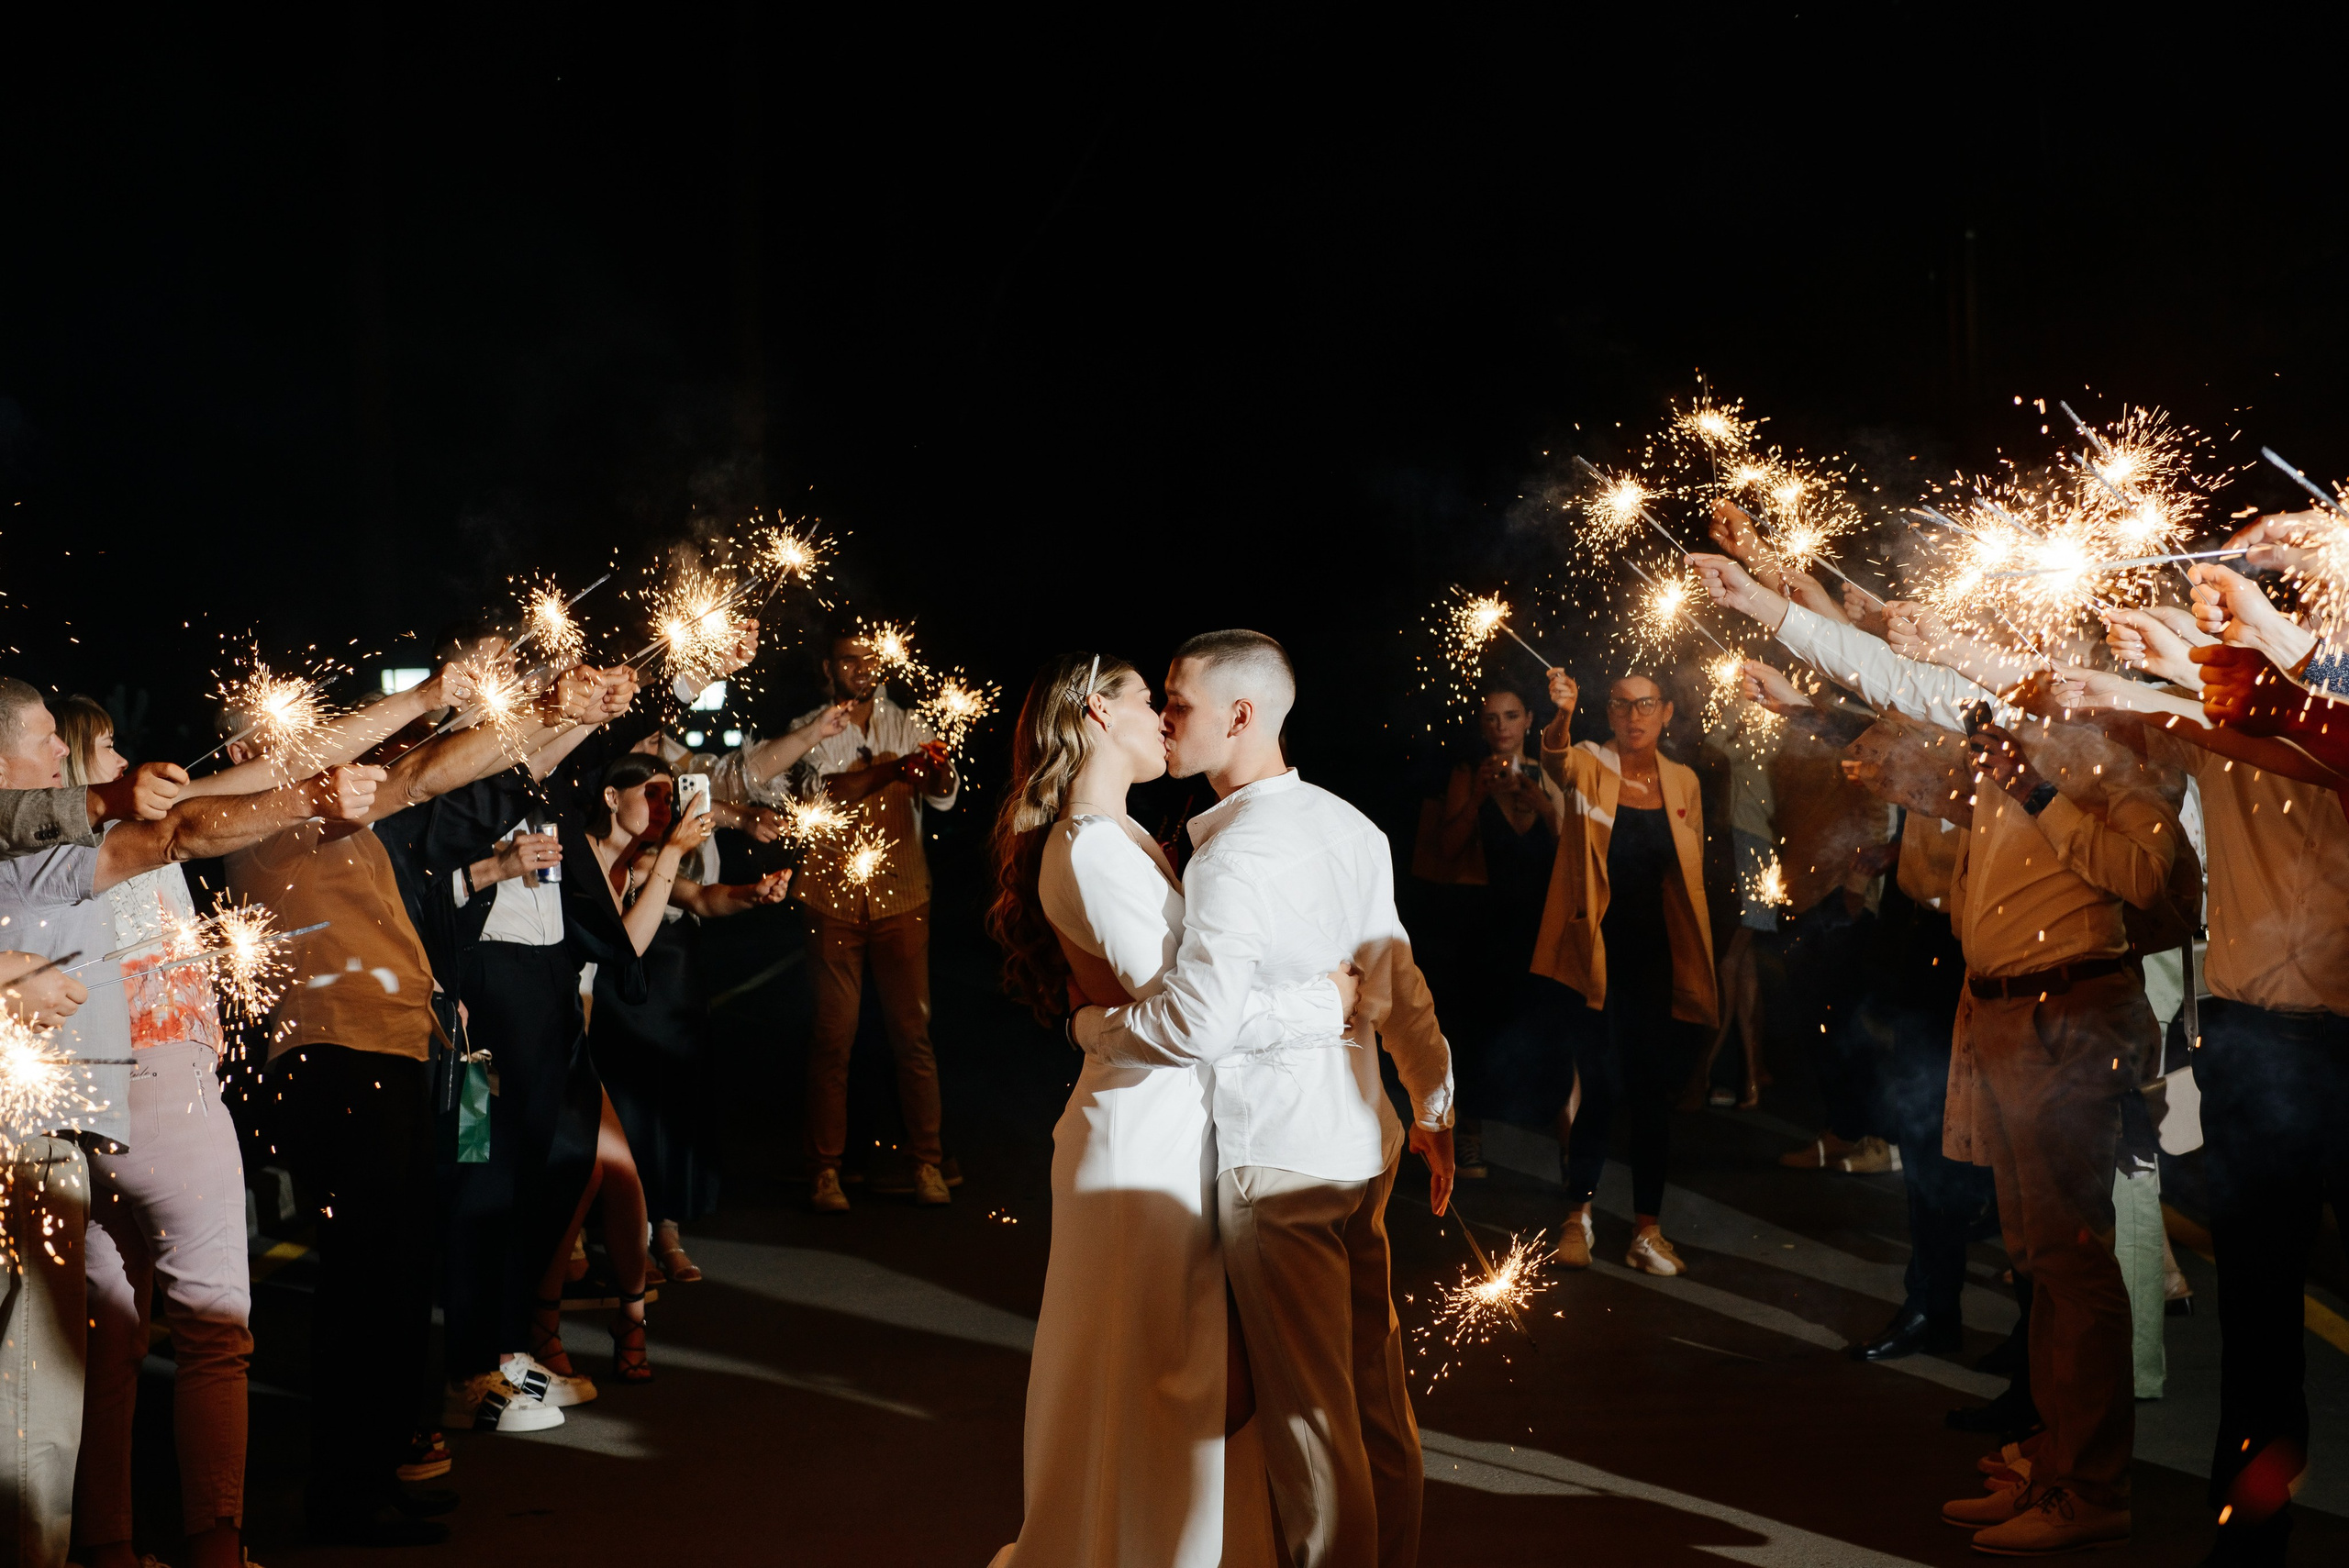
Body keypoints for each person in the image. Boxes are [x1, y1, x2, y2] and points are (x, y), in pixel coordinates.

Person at [1693, 550, 2175, 1554]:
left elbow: (2154, 880)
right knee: (2037, 1255)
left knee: (2072, 1260)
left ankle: (2091, 1483)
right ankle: (2052, 1458)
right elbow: (1895, 685)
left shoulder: (2113, 745)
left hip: (2067, 1015)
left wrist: (2036, 794)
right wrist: (1769, 607)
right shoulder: (2006, 728)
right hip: (2000, 1011)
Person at [1071, 629, 1453, 1568]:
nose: (1166, 718)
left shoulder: (1233, 855)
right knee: (1374, 1404)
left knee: (1313, 1426)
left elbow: (1198, 1023)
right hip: (1362, 1143)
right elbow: (1401, 984)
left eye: (1179, 701)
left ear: (1240, 715)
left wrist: (1094, 1028)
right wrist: (1434, 1103)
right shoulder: (1350, 825)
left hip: (1278, 1163)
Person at [982, 650, 1357, 1568]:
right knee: (1151, 1384)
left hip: (1167, 1124)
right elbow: (1191, 1021)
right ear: (1098, 715)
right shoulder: (1090, 845)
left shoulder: (1124, 838)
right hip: (1139, 1138)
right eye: (1148, 699)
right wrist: (1326, 1002)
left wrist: (1090, 1024)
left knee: (1179, 1380)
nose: (1162, 717)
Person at [225, 660, 610, 1544]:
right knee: (364, 1284)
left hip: (399, 1052)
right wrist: (522, 704)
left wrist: (565, 715)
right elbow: (427, 774)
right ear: (247, 750)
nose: (322, 742)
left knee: (399, 1279)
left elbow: (448, 776)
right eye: (291, 730)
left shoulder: (345, 813)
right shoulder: (257, 811)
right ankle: (342, 1494)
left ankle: (383, 1463)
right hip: (335, 1058)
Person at [0, 676, 381, 1568]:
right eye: (96, 747)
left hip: (81, 1117)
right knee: (212, 1328)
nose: (122, 760)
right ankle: (216, 1544)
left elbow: (255, 781)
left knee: (96, 1348)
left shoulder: (47, 849)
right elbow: (202, 821)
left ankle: (107, 1545)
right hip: (149, 1094)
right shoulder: (90, 842)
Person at [2065, 601, 2349, 1564]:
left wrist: (2180, 669)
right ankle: (2249, 1531)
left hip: (2344, 1049)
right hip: (2250, 1045)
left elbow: (2290, 734)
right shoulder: (2221, 727)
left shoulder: (2315, 727)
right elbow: (2150, 715)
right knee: (2257, 1309)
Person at [574, 751, 789, 1373]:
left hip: (595, 1020)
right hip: (562, 1024)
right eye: (653, 793)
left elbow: (700, 897)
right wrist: (671, 850)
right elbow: (623, 941)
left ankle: (630, 1316)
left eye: (671, 796)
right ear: (611, 797)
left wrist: (750, 894)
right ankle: (557, 1299)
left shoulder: (645, 860)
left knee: (622, 1163)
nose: (666, 807)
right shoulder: (585, 858)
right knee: (582, 1167)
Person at [1531, 667, 1719, 1277]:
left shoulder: (1683, 780)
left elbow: (1689, 877)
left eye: (1646, 705)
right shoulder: (1590, 761)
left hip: (1657, 956)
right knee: (1600, 1084)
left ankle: (1647, 1229)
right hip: (1596, 953)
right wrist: (1561, 716)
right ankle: (1578, 1215)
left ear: (1666, 712)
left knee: (1651, 1092)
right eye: (1621, 705)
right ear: (1608, 712)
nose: (1634, 716)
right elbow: (1555, 761)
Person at [788, 627, 958, 1211]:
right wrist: (893, 770)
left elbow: (942, 795)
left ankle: (928, 1162)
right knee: (833, 1039)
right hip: (831, 900)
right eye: (847, 659)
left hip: (903, 896)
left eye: (868, 659)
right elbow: (825, 795)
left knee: (913, 1036)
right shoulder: (809, 728)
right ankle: (825, 1170)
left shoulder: (908, 725)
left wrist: (936, 772)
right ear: (828, 667)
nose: (860, 668)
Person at [1408, 683, 1562, 1176]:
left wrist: (1542, 804)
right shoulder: (1467, 773)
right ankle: (1469, 1135)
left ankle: (1561, 1137)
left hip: (1538, 920)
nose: (1502, 727)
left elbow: (1573, 849)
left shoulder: (1551, 771)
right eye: (1491, 718)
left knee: (1544, 1026)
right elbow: (1446, 848)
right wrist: (1477, 796)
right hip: (1480, 922)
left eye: (1511, 716)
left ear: (1530, 719)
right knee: (1470, 1028)